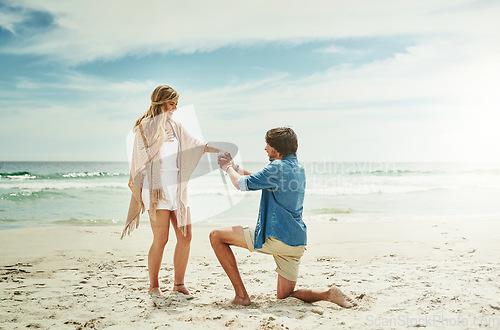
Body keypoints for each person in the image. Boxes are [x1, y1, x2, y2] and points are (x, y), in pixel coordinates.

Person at [210, 127, 357, 307]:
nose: (265, 148)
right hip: (296, 243)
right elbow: (260, 179)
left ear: (276, 150)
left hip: (276, 237)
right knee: (286, 297)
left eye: (268, 145)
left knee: (216, 236)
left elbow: (240, 184)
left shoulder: (276, 168)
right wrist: (236, 167)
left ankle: (241, 296)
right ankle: (328, 294)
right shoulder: (297, 167)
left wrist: (228, 169)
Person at [121, 85, 221, 297]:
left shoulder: (176, 126)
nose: (175, 108)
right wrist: (158, 142)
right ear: (160, 103)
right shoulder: (143, 127)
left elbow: (196, 145)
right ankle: (154, 286)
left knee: (186, 236)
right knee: (162, 239)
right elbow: (139, 161)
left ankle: (178, 285)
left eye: (176, 104)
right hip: (155, 189)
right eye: (172, 104)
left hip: (177, 188)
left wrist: (219, 148)